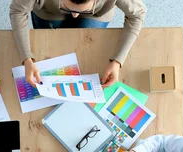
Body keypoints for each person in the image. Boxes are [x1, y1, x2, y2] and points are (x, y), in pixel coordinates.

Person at [10, 0, 146, 88]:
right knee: (48, 41)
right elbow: (18, 11)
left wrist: (118, 61)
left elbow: (138, 13)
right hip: (48, 11)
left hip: (97, 14)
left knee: (86, 45)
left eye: (82, 10)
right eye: (68, 9)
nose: (75, 16)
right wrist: (26, 58)